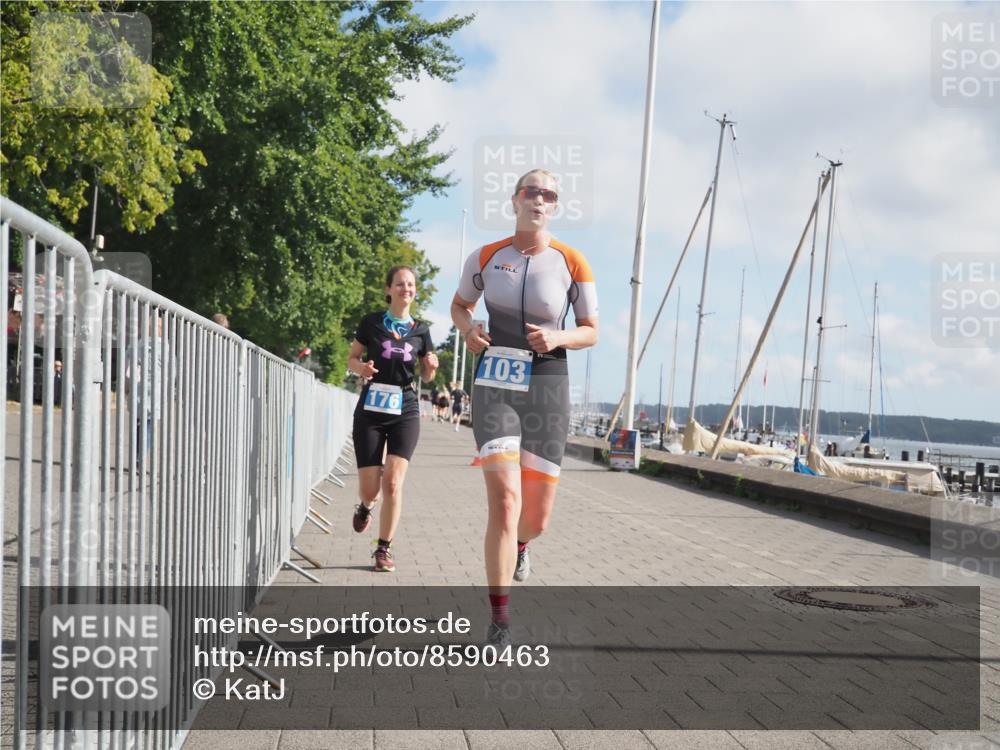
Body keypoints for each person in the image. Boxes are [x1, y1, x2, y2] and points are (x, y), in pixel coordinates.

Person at [450, 169, 598, 647]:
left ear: (554, 207)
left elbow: (591, 329)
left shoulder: (572, 261)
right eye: (531, 191)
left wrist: (558, 336)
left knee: (535, 517)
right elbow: (459, 306)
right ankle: (499, 620)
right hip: (495, 383)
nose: (539, 199)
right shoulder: (487, 256)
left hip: (548, 386)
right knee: (506, 501)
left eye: (549, 194)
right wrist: (469, 330)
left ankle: (521, 545)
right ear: (515, 199)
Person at [347, 265, 438, 572]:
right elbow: (352, 358)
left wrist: (432, 366)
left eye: (410, 284)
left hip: (405, 406)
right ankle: (365, 506)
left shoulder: (421, 330)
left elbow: (426, 373)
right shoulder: (371, 322)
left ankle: (383, 548)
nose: (406, 289)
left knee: (394, 484)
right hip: (372, 408)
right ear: (388, 290)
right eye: (400, 284)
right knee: (371, 489)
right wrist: (361, 369)